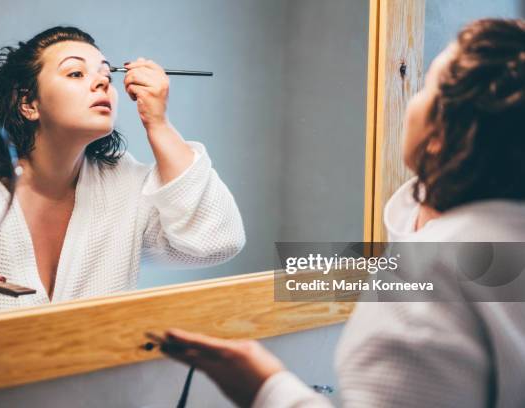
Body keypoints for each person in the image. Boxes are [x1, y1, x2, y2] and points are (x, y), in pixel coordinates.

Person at [160, 18, 525, 407]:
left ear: (441, 132)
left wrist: (264, 386)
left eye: (424, 87)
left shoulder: (429, 271)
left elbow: (214, 241)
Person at [0, 26, 245, 312]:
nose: (101, 84)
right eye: (76, 73)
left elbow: (216, 242)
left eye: (105, 76)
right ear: (29, 103)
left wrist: (157, 123)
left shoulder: (122, 190)